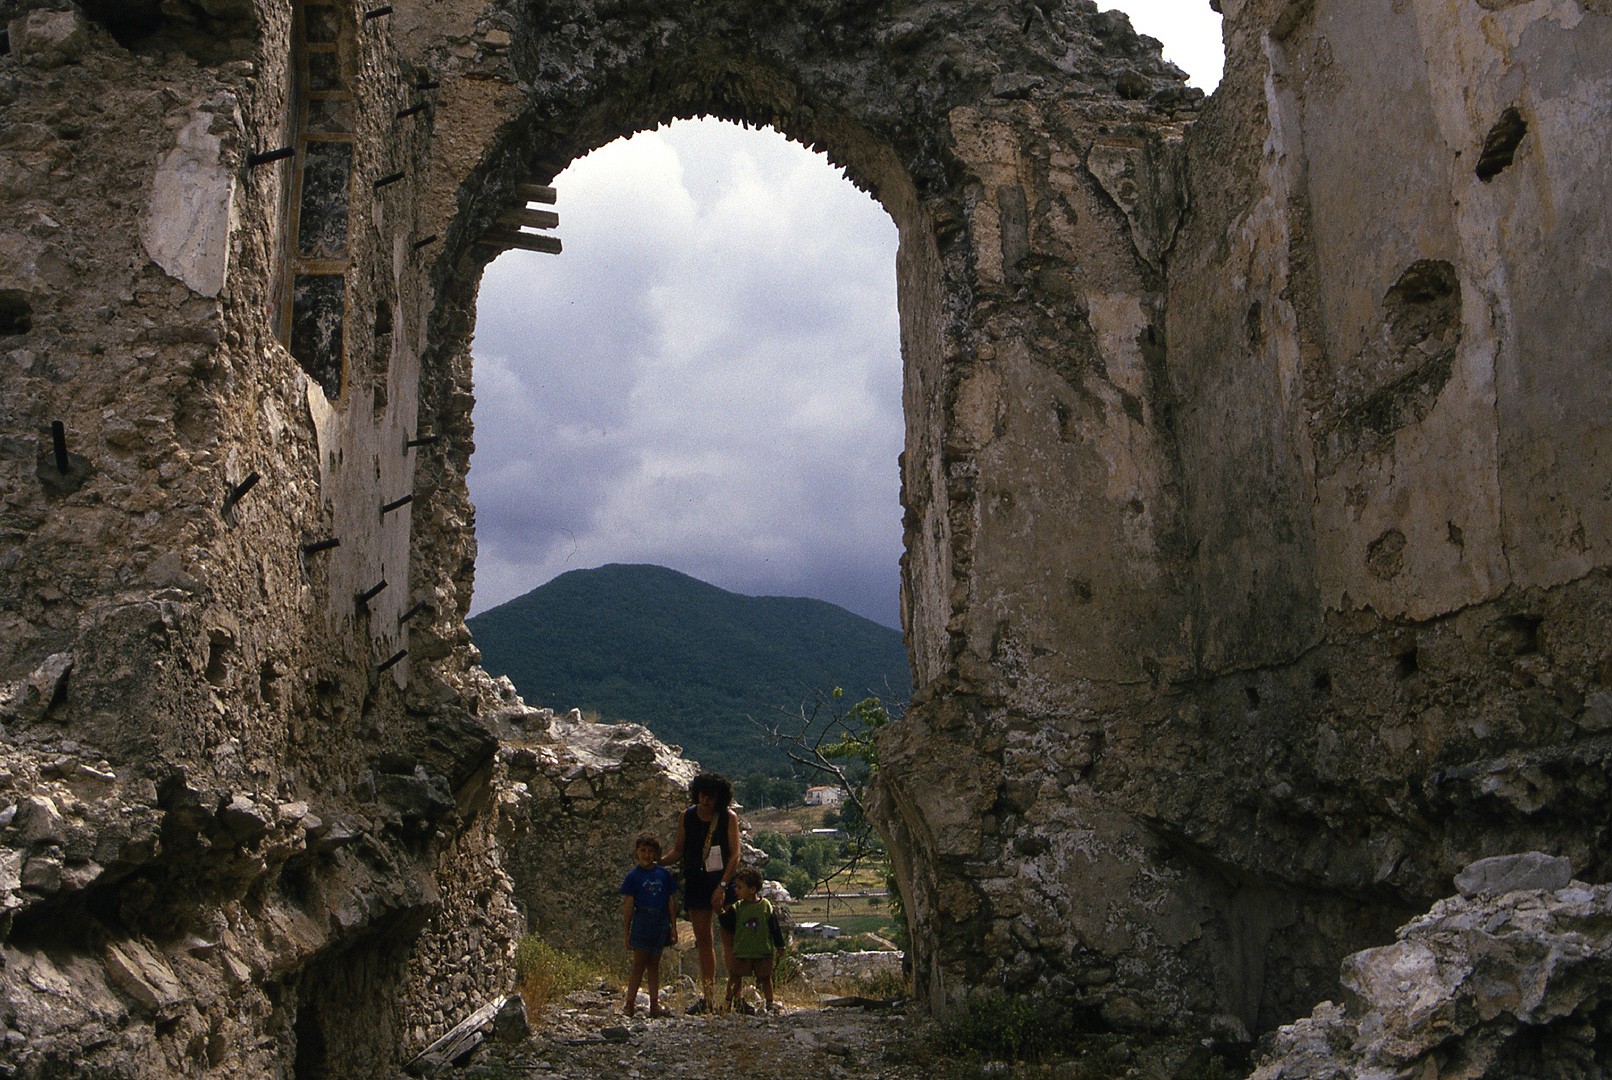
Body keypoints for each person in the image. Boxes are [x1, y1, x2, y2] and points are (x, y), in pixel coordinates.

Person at [659, 772, 741, 1013]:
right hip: (697, 881)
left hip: (723, 881)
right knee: (704, 942)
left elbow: (734, 856)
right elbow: (678, 851)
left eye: (711, 797)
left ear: (720, 798)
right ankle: (708, 999)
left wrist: (723, 886)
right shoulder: (687, 816)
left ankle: (733, 997)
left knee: (730, 942)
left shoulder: (728, 818)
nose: (705, 801)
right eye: (702, 795)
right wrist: (657, 862)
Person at [619, 833, 678, 1017]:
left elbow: (670, 901)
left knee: (654, 965)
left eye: (650, 851)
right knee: (638, 965)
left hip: (660, 922)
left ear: (656, 854)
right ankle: (629, 1004)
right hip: (642, 920)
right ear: (637, 852)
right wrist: (627, 932)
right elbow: (629, 905)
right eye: (643, 851)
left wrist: (673, 927)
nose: (646, 855)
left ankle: (654, 1005)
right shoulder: (633, 877)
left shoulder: (663, 874)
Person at [724, 866, 780, 1014]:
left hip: (762, 951)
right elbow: (729, 925)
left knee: (765, 977)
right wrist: (720, 913)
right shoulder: (737, 908)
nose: (736, 890)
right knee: (735, 977)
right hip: (742, 951)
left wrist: (780, 946)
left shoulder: (765, 906)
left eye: (740, 887)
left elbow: (774, 928)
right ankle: (727, 1002)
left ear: (752, 889)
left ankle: (770, 1003)